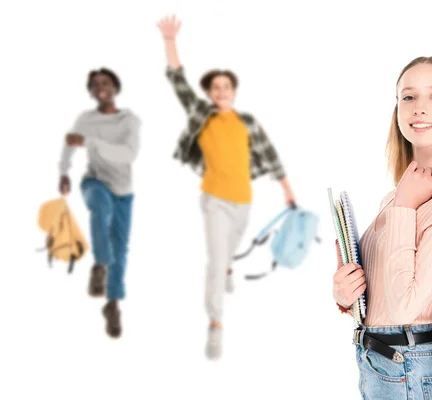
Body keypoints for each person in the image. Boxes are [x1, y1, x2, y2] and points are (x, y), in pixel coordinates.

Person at [332, 55, 432, 399]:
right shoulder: (398, 195)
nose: (419, 107)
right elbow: (382, 293)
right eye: (408, 97)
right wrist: (344, 294)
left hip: (407, 368)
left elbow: (404, 306)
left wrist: (405, 206)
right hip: (381, 365)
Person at [156, 14, 296, 360]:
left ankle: (229, 268)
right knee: (216, 261)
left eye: (226, 88)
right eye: (215, 88)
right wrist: (170, 41)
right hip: (214, 199)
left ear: (233, 92)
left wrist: (287, 189)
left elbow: (270, 154)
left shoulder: (247, 122)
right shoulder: (201, 115)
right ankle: (215, 323)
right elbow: (178, 81)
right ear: (210, 93)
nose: (221, 92)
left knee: (229, 251)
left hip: (243, 201)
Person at [58, 67, 141, 339]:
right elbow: (70, 142)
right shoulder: (85, 118)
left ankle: (113, 304)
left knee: (122, 248)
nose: (100, 87)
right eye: (95, 84)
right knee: (99, 206)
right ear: (91, 92)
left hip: (123, 190)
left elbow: (128, 155)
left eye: (106, 83)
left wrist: (91, 142)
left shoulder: (129, 120)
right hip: (95, 182)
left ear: (116, 89)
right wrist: (64, 171)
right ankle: (100, 265)